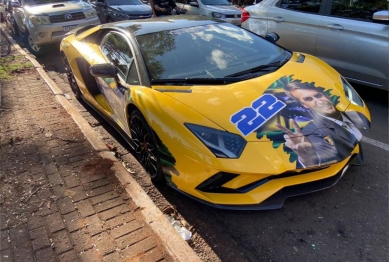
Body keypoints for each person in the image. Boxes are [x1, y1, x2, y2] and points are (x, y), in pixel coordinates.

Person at [275, 80, 367, 168]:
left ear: (326, 95)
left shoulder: (349, 110)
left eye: (318, 95)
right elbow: (323, 156)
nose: (319, 101)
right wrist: (308, 157)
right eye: (309, 99)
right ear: (305, 105)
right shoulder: (312, 130)